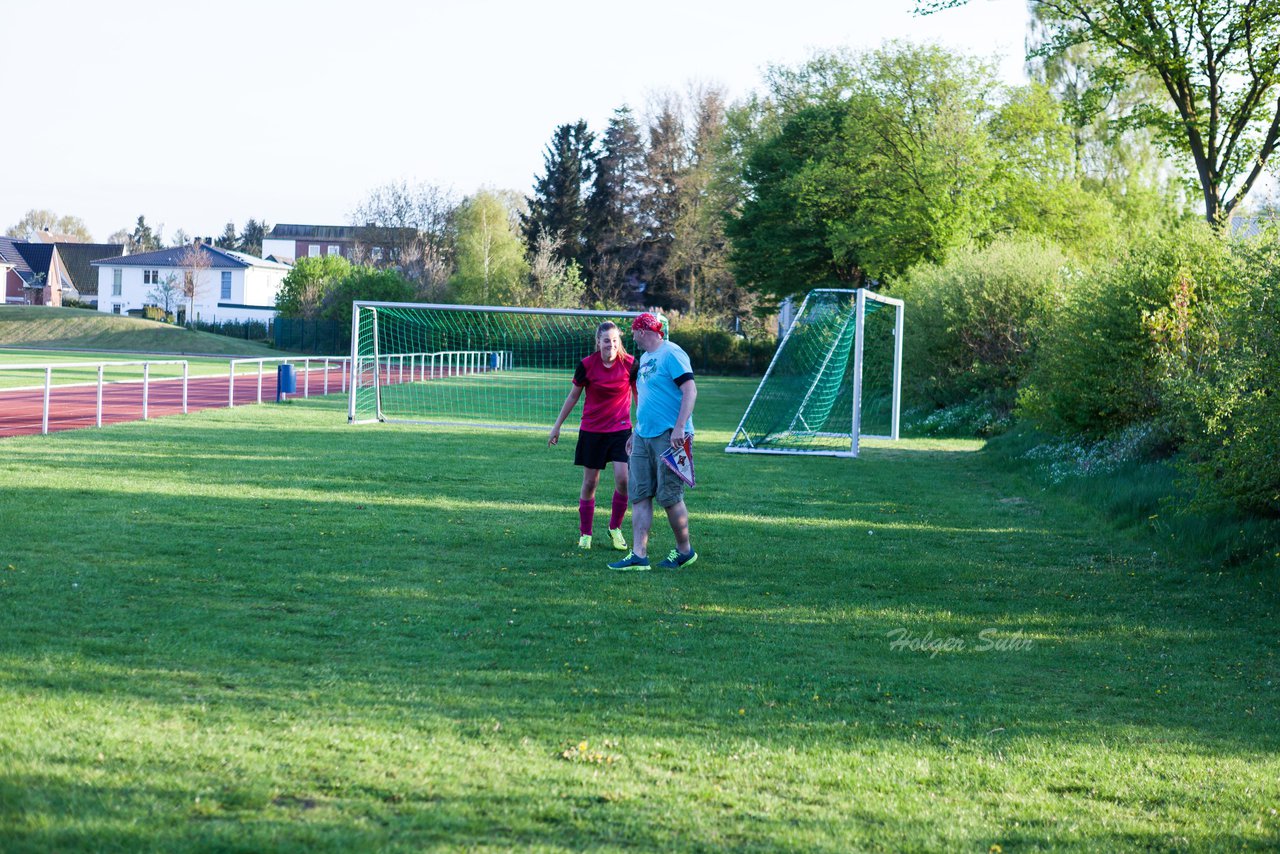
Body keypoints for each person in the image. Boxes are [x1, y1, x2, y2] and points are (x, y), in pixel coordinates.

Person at [608, 312, 698, 572]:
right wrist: (635, 433)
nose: (632, 337)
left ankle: (684, 551)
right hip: (643, 438)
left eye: (634, 332)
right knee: (639, 494)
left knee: (670, 496)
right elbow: (647, 400)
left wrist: (680, 428)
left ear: (642, 331)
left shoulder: (672, 353)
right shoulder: (646, 358)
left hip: (671, 436)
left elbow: (690, 390)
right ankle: (639, 555)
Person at [548, 321, 635, 551]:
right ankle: (585, 533)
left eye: (615, 340)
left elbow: (640, 398)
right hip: (592, 431)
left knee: (624, 480)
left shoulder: (629, 364)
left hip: (620, 431)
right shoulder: (587, 365)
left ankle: (615, 528)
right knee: (590, 483)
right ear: (598, 342)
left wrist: (639, 429)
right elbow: (573, 397)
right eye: (607, 340)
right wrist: (557, 426)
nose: (612, 344)